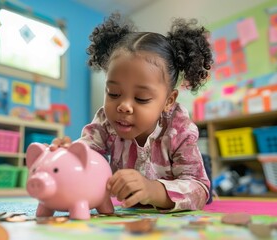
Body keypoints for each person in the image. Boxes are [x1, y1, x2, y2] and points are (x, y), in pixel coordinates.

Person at [51, 13, 213, 212]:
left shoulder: (179, 128)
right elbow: (86, 151)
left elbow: (199, 188)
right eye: (114, 93)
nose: (124, 106)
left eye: (141, 98)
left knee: (205, 183)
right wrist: (67, 155)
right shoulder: (105, 121)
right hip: (133, 205)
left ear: (168, 101)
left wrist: (152, 189)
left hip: (179, 181)